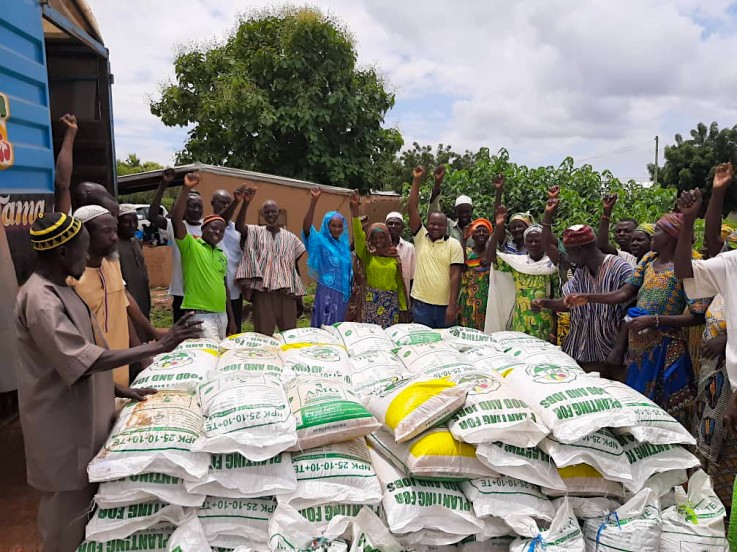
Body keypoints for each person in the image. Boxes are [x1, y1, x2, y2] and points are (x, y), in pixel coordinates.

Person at [15, 212, 201, 552]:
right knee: (64, 527)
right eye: (82, 251)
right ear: (61, 253)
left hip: (85, 419)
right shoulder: (41, 301)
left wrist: (117, 388)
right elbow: (82, 360)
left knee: (87, 519)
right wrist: (157, 345)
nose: (87, 259)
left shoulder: (64, 290)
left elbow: (81, 354)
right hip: (62, 431)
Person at [566, 212, 710, 425]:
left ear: (671, 236)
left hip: (666, 347)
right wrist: (588, 297)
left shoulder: (690, 266)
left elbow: (698, 316)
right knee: (637, 403)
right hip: (638, 347)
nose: (653, 235)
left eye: (658, 231)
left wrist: (655, 320)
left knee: (666, 408)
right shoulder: (648, 260)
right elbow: (624, 294)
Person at [674, 165, 737, 500]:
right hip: (721, 377)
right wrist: (688, 220)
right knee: (719, 449)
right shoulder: (731, 264)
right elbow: (687, 268)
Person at [532, 222, 633, 376]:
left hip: (612, 352)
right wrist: (545, 303)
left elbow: (628, 306)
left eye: (570, 253)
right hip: (582, 349)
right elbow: (569, 302)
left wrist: (619, 348)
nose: (570, 259)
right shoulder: (582, 272)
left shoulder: (620, 268)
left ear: (579, 249)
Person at [485, 196, 560, 341]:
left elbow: (557, 299)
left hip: (544, 325)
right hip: (519, 323)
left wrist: (554, 330)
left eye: (537, 241)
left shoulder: (551, 266)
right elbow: (491, 257)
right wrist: (498, 227)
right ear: (525, 243)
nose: (533, 244)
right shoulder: (517, 263)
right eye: (529, 241)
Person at [172, 173, 235, 340]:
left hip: (222, 315)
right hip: (200, 316)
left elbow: (224, 287)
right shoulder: (191, 246)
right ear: (203, 229)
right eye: (213, 228)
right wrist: (186, 189)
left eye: (221, 230)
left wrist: (232, 319)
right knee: (208, 356)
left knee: (219, 355)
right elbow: (176, 219)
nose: (217, 232)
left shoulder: (221, 254)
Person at [235, 189, 306, 335]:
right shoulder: (255, 232)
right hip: (263, 293)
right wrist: (245, 204)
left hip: (286, 293)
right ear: (263, 215)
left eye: (273, 212)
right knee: (263, 335)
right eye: (266, 212)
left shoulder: (290, 238)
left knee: (289, 336)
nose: (270, 215)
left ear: (279, 213)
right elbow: (239, 227)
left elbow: (294, 266)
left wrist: (298, 297)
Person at [408, 166, 465, 328]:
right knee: (422, 345)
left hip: (444, 307)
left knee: (444, 347)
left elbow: (455, 277)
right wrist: (416, 179)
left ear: (445, 226)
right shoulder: (420, 238)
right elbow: (412, 208)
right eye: (432, 224)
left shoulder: (453, 245)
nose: (435, 227)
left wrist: (452, 305)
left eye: (440, 225)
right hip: (421, 305)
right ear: (427, 224)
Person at [148, 168, 203, 322]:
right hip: (181, 291)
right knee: (182, 336)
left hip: (202, 291)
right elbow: (152, 216)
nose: (196, 210)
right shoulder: (175, 225)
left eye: (199, 206)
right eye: (191, 206)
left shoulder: (209, 227)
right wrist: (163, 185)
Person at [351, 192, 406, 327]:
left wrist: (404, 308)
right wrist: (355, 211)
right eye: (374, 238)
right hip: (370, 302)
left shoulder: (394, 256)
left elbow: (399, 284)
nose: (378, 241)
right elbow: (358, 236)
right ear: (370, 238)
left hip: (390, 303)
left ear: (387, 238)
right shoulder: (367, 254)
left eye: (382, 237)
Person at [302, 187, 353, 326]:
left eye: (339, 226)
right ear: (327, 226)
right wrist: (313, 201)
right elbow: (306, 229)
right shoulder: (320, 242)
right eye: (333, 226)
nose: (337, 229)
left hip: (344, 296)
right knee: (326, 328)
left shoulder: (344, 247)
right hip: (327, 295)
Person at [211, 188, 244, 331]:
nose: (225, 206)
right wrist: (236, 201)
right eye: (222, 203)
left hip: (234, 291)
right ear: (212, 203)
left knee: (234, 334)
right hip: (212, 293)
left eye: (228, 203)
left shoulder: (238, 230)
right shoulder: (206, 226)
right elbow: (221, 220)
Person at [458, 218, 493, 330]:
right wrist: (463, 239)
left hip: (487, 301)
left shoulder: (492, 255)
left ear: (489, 235)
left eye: (484, 231)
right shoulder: (467, 252)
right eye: (478, 231)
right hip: (467, 300)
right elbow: (460, 263)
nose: (481, 233)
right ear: (472, 235)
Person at [117, 204, 151, 319]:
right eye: (126, 222)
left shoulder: (136, 242)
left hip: (142, 298)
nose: (132, 225)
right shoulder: (113, 246)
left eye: (135, 221)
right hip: (126, 301)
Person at [596, 193, 638, 267]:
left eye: (627, 231)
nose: (621, 234)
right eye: (618, 231)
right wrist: (606, 213)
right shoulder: (619, 256)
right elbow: (602, 245)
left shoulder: (647, 257)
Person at [385, 211, 416, 297]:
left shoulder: (409, 248)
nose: (393, 226)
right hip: (382, 296)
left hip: (402, 296)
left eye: (397, 224)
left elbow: (413, 277)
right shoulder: (379, 247)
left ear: (402, 227)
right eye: (390, 223)